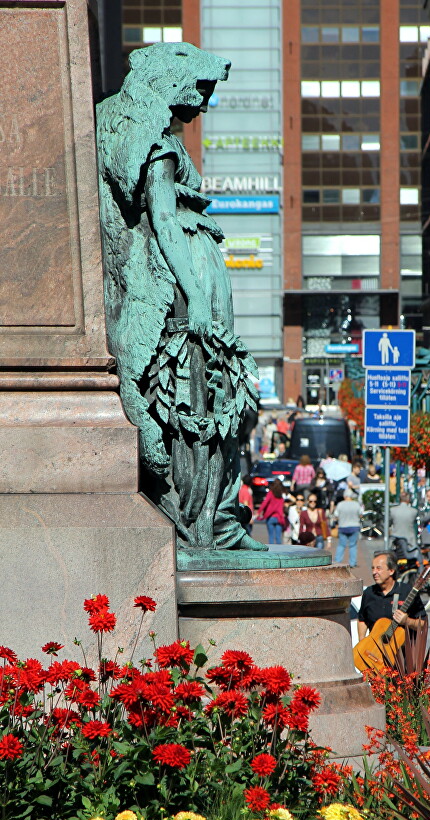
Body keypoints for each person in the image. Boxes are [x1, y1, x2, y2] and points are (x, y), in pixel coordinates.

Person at [96, 42, 265, 552]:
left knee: (206, 394)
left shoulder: (119, 124)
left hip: (178, 287)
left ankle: (214, 518)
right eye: (203, 90)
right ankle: (206, 522)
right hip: (179, 295)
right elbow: (164, 220)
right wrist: (198, 296)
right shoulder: (157, 144)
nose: (205, 106)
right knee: (200, 396)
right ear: (173, 82)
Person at [357, 551, 426, 641]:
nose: (374, 572)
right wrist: (362, 640)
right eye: (373, 568)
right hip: (375, 650)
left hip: (402, 652)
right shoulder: (369, 593)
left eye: (378, 568)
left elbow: (424, 624)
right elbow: (362, 619)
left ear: (391, 571)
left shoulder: (407, 592)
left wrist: (408, 621)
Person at [334, 488, 363, 567]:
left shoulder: (340, 504)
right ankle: (352, 563)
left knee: (341, 545)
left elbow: (336, 516)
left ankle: (337, 561)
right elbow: (361, 514)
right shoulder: (356, 504)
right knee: (353, 545)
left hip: (343, 526)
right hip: (354, 526)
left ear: (344, 496)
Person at [257, 479, 287, 545]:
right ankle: (279, 552)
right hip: (279, 518)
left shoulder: (270, 493)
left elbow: (265, 503)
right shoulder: (281, 495)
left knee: (271, 536)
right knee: (278, 537)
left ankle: (271, 552)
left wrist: (259, 512)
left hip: (270, 517)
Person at [390, 492, 419, 560]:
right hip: (410, 542)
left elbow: (389, 523)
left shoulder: (393, 510)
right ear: (408, 500)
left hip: (396, 541)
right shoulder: (414, 511)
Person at [419, 487, 430, 551]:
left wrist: (420, 519)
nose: (428, 499)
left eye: (429, 496)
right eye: (427, 496)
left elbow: (426, 518)